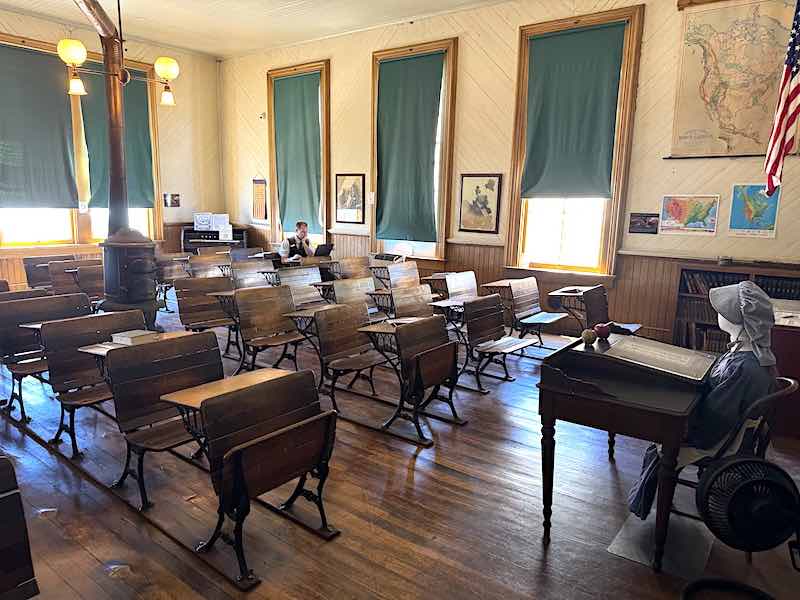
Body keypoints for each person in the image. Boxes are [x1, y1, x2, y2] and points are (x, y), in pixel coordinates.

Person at [628, 280, 777, 519]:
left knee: (657, 439)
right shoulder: (746, 354)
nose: (717, 314)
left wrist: (681, 428)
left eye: (722, 311)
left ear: (738, 320)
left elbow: (714, 421)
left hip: (716, 439)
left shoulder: (744, 369)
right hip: (726, 431)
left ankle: (643, 506)